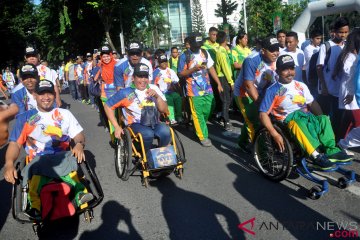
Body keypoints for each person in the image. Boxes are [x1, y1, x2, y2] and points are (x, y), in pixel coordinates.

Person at [3, 80, 94, 219]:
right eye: (41, 93)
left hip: (62, 155)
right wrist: (9, 164)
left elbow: (78, 135)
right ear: (34, 95)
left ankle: (79, 194)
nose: (46, 97)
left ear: (54, 94)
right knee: (35, 175)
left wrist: (79, 144)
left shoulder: (64, 114)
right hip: (38, 159)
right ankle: (35, 206)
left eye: (49, 93)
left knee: (69, 165)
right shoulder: (25, 118)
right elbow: (15, 144)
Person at [259, 55, 352, 170]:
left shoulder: (301, 85)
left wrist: (321, 121)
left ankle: (331, 150)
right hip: (289, 120)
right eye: (285, 69)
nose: (290, 72)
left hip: (305, 116)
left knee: (323, 118)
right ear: (277, 71)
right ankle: (315, 156)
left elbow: (312, 103)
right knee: (298, 123)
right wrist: (274, 134)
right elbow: (263, 114)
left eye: (292, 68)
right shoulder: (272, 90)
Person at [104, 63, 170, 152]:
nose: (143, 80)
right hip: (135, 124)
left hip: (154, 122)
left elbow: (164, 109)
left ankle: (162, 153)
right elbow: (108, 106)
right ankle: (147, 155)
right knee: (148, 133)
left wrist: (157, 97)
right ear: (133, 78)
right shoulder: (125, 93)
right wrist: (116, 127)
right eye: (140, 77)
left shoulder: (154, 88)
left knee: (165, 131)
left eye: (145, 77)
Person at [234, 36, 279, 152]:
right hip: (244, 93)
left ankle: (242, 141)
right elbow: (248, 85)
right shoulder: (251, 60)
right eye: (272, 50)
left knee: (250, 119)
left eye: (277, 49)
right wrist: (260, 104)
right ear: (263, 51)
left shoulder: (277, 59)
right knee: (255, 122)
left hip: (261, 90)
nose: (276, 53)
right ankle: (262, 154)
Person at [178, 32, 223, 147]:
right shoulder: (184, 56)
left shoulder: (205, 52)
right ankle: (202, 136)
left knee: (208, 110)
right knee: (197, 114)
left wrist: (218, 83)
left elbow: (211, 68)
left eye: (199, 44)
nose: (198, 47)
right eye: (196, 45)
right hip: (193, 89)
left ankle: (198, 127)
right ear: (191, 44)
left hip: (207, 88)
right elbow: (180, 73)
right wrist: (193, 69)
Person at [316, 17, 350, 140]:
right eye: (341, 32)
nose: (344, 35)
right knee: (325, 117)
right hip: (327, 91)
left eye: (346, 32)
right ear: (335, 31)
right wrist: (324, 87)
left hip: (340, 91)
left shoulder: (347, 46)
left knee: (338, 118)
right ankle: (324, 141)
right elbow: (319, 67)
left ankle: (335, 142)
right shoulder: (326, 46)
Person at [332, 28, 360, 139]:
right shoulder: (350, 56)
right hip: (350, 93)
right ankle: (341, 142)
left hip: (352, 92)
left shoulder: (354, 55)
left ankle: (340, 142)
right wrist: (351, 93)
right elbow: (350, 74)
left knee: (348, 120)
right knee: (355, 121)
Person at [91, 45, 117, 142]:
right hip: (105, 95)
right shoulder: (100, 66)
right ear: (101, 57)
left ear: (111, 55)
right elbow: (94, 78)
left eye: (108, 55)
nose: (106, 58)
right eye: (103, 56)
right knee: (110, 117)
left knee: (120, 116)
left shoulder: (117, 64)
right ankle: (114, 138)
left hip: (118, 94)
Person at [153, 54, 182, 125]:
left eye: (165, 61)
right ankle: (171, 118)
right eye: (162, 62)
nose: (164, 63)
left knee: (178, 98)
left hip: (171, 91)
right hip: (162, 93)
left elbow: (176, 82)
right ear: (159, 63)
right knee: (169, 100)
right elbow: (153, 85)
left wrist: (179, 91)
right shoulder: (156, 72)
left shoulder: (170, 71)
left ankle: (179, 116)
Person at [215, 31, 234, 131]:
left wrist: (229, 51)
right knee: (226, 100)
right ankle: (226, 121)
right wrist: (231, 82)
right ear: (225, 40)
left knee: (227, 100)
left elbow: (230, 62)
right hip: (224, 78)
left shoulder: (223, 50)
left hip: (225, 78)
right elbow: (226, 68)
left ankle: (223, 117)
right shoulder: (221, 52)